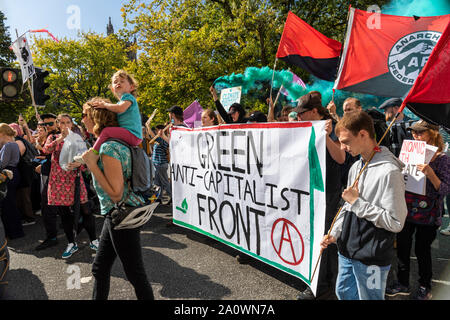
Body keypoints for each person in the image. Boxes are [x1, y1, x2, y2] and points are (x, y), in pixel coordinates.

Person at [320, 111, 407, 300]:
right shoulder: (356, 166)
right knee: (343, 292)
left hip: (372, 257)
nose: (342, 147)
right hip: (347, 250)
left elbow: (396, 222)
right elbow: (347, 206)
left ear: (363, 134)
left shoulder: (390, 172)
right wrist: (334, 232)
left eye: (346, 141)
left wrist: (357, 202)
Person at [81, 97, 154, 300]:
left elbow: (116, 193)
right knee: (100, 268)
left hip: (122, 213)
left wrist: (91, 165)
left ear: (95, 118)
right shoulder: (115, 143)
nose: (82, 119)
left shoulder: (109, 148)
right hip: (115, 213)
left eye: (84, 115)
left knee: (135, 275)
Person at [387, 120, 449, 300]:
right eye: (413, 132)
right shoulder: (408, 152)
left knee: (423, 251)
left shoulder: (443, 159)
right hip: (405, 210)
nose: (415, 135)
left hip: (428, 215)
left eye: (420, 132)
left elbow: (445, 189)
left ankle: (424, 286)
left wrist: (430, 173)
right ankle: (402, 283)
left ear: (433, 134)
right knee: (403, 249)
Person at [294, 93, 345, 300]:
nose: (298, 118)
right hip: (311, 188)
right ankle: (328, 279)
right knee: (321, 236)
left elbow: (341, 158)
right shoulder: (303, 128)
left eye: (302, 113)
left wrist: (325, 137)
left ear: (315, 111)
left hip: (329, 191)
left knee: (323, 237)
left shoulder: (333, 128)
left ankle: (320, 285)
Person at [42, 114, 98, 258]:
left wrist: (80, 163)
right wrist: (60, 139)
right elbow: (46, 150)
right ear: (58, 124)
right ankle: (71, 243)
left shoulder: (77, 138)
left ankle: (94, 240)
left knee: (86, 209)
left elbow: (86, 155)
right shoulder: (53, 138)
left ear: (71, 124)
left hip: (74, 179)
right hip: (58, 180)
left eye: (68, 122)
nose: (65, 125)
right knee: (64, 213)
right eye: (62, 122)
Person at [77, 70, 143, 159]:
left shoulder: (128, 97)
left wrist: (105, 105)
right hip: (130, 134)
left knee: (106, 131)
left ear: (131, 87)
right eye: (115, 82)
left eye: (122, 81)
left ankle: (93, 153)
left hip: (132, 134)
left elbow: (120, 108)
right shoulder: (120, 102)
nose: (118, 83)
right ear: (112, 89)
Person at [35, 114, 60, 251]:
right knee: (48, 206)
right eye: (44, 125)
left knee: (50, 206)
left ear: (56, 123)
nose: (47, 127)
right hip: (51, 175)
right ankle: (52, 237)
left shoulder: (60, 136)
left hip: (60, 176)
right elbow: (47, 154)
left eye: (50, 124)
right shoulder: (50, 137)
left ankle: (53, 237)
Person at [0, 124, 24, 240]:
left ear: (2, 133)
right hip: (14, 173)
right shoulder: (14, 144)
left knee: (8, 205)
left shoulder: (8, 145)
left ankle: (13, 232)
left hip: (8, 174)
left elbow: (2, 163)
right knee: (11, 203)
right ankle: (16, 231)